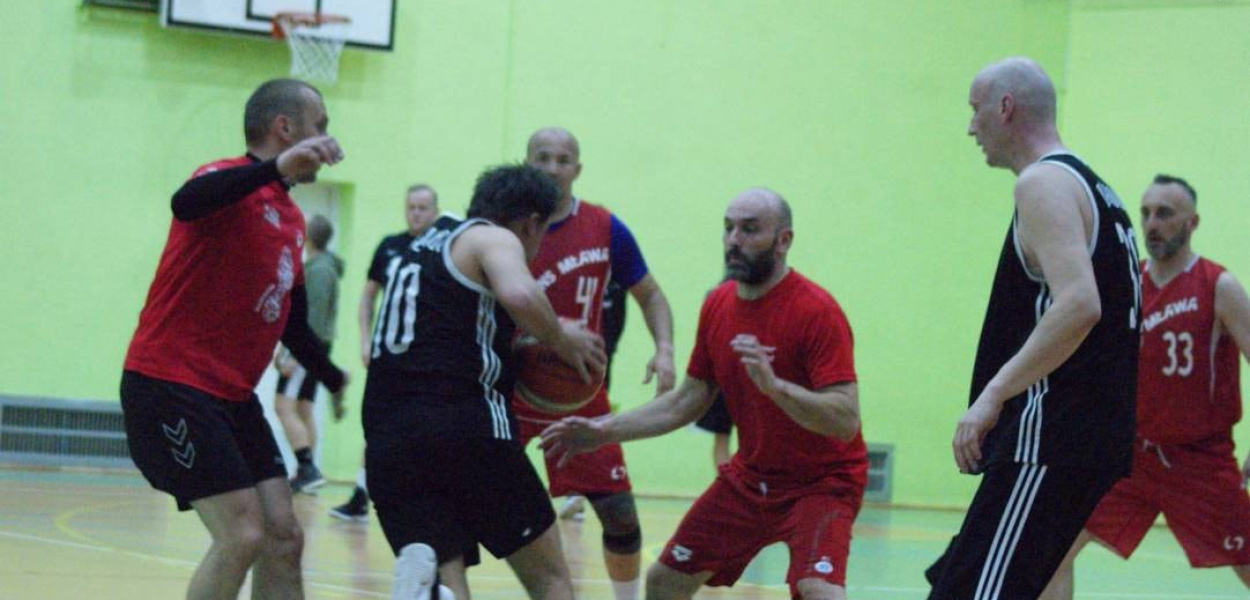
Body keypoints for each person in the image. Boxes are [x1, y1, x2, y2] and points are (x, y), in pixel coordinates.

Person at [543, 187, 866, 600]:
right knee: (664, 582)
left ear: (783, 240)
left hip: (822, 483)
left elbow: (845, 420)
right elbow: (686, 401)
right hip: (751, 478)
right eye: (728, 228)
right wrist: (602, 431)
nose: (734, 240)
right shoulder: (718, 305)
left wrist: (776, 388)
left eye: (750, 230)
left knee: (817, 589)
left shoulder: (816, 311)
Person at [119, 78, 349, 600]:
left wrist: (333, 376)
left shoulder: (292, 220)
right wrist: (275, 168)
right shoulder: (223, 179)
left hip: (233, 398)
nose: (327, 137)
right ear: (284, 128)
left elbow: (292, 324)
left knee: (283, 537)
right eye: (320, 125)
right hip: (171, 385)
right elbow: (186, 202)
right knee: (241, 535)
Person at [924, 57, 1141, 600]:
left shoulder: (1043, 182)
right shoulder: (1096, 188)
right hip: (1082, 438)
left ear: (1006, 108)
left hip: (1050, 436)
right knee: (962, 583)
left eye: (975, 109)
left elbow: (1080, 304)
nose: (970, 127)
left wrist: (992, 394)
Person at [362, 164, 606, 600]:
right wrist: (560, 339)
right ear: (530, 223)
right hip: (465, 429)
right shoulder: (492, 237)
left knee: (444, 571)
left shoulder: (425, 243)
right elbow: (520, 294)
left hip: (386, 441)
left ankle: (433, 592)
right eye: (542, 232)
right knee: (549, 577)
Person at [1040, 175, 1250, 599]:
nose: (1152, 224)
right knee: (1050, 549)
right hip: (1132, 456)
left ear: (1192, 222)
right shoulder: (1127, 284)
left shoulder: (1218, 286)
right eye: (1147, 213)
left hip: (1199, 461)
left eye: (1165, 214)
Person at [516, 127, 677, 600]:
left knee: (621, 516)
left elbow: (651, 295)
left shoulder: (606, 227)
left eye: (563, 159)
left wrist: (664, 349)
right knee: (471, 499)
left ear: (577, 169)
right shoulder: (503, 227)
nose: (552, 167)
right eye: (542, 157)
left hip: (579, 392)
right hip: (510, 389)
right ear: (526, 164)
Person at [329, 184, 439, 522]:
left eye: (422, 208)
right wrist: (365, 340)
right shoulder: (390, 246)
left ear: (435, 211)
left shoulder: (442, 248)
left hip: (426, 357)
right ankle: (361, 495)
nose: (416, 213)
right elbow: (367, 298)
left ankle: (428, 496)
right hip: (388, 355)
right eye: (411, 207)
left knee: (425, 424)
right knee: (378, 424)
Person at [276, 214, 346, 495]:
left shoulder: (318, 271)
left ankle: (307, 468)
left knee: (283, 405)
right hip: (317, 347)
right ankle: (308, 473)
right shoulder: (323, 267)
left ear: (307, 236)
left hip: (309, 348)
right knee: (303, 407)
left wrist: (294, 355)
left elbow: (310, 320)